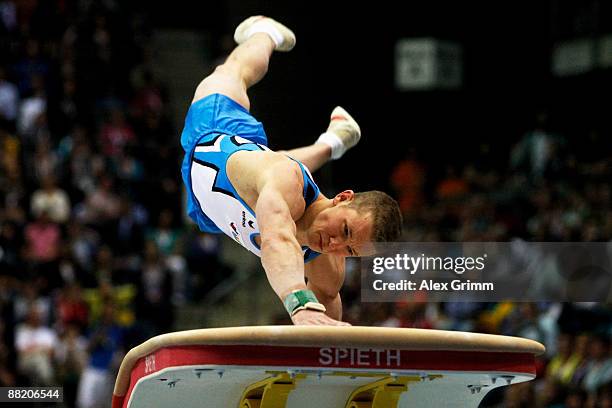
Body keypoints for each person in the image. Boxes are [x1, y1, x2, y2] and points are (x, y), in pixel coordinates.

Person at [180, 16, 402, 326]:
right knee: (231, 73)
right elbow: (277, 241)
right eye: (346, 230)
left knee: (276, 169)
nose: (335, 245)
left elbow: (326, 315)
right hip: (216, 131)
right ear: (343, 198)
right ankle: (264, 33)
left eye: (350, 249)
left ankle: (332, 141)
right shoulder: (285, 181)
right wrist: (298, 299)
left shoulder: (327, 265)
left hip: (221, 199)